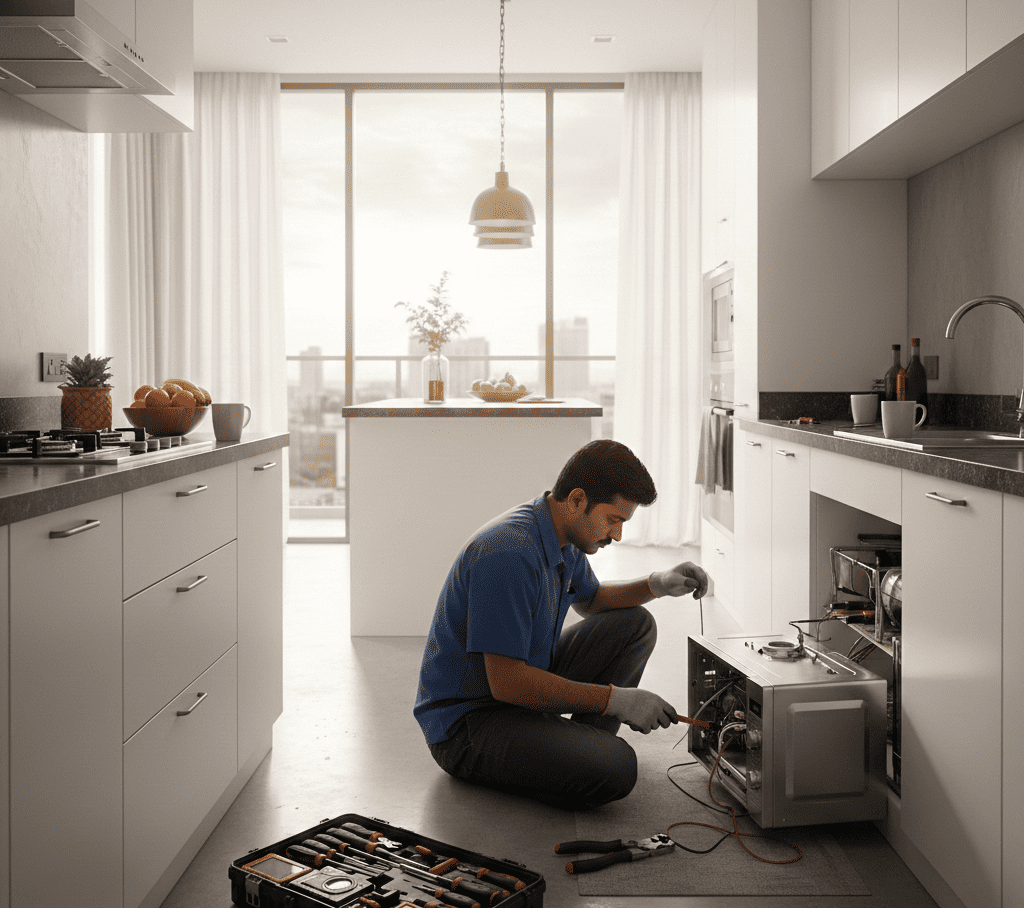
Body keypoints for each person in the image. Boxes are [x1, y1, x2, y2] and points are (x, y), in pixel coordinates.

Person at [413, 439, 710, 811]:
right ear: (577, 500)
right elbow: (507, 684)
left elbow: (592, 600)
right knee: (617, 767)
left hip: (518, 688)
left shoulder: (560, 534)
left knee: (635, 624)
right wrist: (616, 701)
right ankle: (573, 756)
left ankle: (571, 748)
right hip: (468, 723)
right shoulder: (509, 554)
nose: (617, 535)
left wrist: (658, 584)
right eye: (613, 519)